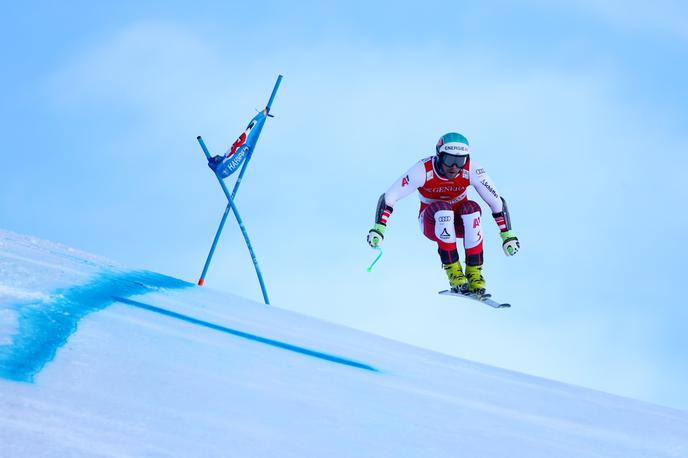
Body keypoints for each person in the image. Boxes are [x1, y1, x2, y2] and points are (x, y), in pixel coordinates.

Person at [367, 132, 520, 295]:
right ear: (439, 156)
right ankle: (454, 273)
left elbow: (496, 202)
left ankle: (475, 274)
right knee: (442, 208)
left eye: (460, 161)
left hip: (460, 223)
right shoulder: (422, 170)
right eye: (449, 160)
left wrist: (507, 236)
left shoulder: (472, 169)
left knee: (472, 208)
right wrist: (379, 229)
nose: (454, 167)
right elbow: (390, 196)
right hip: (432, 222)